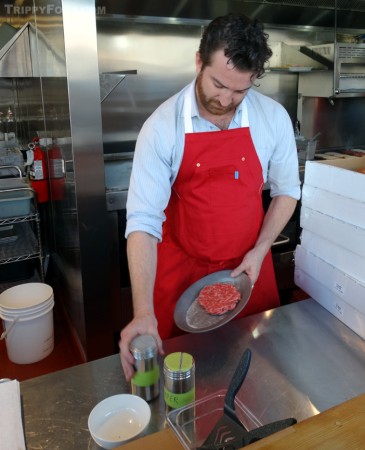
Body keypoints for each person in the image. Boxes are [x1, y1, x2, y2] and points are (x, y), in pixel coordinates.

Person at [119, 12, 301, 380]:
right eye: (218, 83)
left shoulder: (272, 118)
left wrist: (261, 249)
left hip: (249, 266)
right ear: (199, 61)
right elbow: (142, 221)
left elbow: (287, 192)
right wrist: (142, 311)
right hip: (182, 271)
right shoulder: (161, 127)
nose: (226, 98)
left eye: (240, 90)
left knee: (260, 371)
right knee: (184, 375)